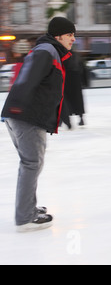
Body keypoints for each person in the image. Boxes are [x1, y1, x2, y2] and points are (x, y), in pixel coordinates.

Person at [1, 16, 76, 232]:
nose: (73, 39)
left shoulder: (47, 50)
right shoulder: (47, 51)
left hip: (24, 113)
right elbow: (28, 78)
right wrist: (17, 108)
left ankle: (28, 207)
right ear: (58, 35)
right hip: (26, 115)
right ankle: (25, 216)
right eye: (70, 34)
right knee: (31, 164)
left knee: (32, 163)